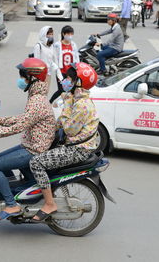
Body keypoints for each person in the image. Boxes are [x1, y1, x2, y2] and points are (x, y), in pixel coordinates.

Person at [0, 58, 56, 222]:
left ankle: (11, 204)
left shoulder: (36, 101)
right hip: (31, 144)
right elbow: (23, 118)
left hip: (34, 150)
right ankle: (13, 192)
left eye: (24, 76)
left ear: (33, 78)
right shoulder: (37, 96)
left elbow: (18, 127)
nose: (21, 80)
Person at [29, 62, 100, 222]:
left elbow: (69, 129)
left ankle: (49, 204)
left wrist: (66, 102)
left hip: (77, 150)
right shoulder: (75, 98)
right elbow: (61, 123)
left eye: (69, 78)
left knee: (36, 163)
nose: (65, 80)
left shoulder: (81, 105)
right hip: (73, 144)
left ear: (79, 83)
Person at [51, 26, 80, 104]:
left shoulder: (73, 44)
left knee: (71, 90)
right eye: (68, 33)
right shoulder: (57, 45)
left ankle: (68, 105)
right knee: (61, 90)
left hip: (71, 73)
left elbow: (77, 58)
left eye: (71, 33)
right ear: (63, 34)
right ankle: (49, 103)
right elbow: (54, 58)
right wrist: (57, 71)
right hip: (61, 72)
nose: (70, 35)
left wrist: (77, 69)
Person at [33, 26, 62, 92]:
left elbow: (51, 62)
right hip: (40, 75)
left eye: (52, 34)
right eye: (48, 34)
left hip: (48, 74)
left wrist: (59, 75)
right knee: (39, 93)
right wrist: (38, 77)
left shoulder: (51, 46)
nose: (50, 36)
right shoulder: (38, 46)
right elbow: (36, 63)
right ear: (43, 34)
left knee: (46, 93)